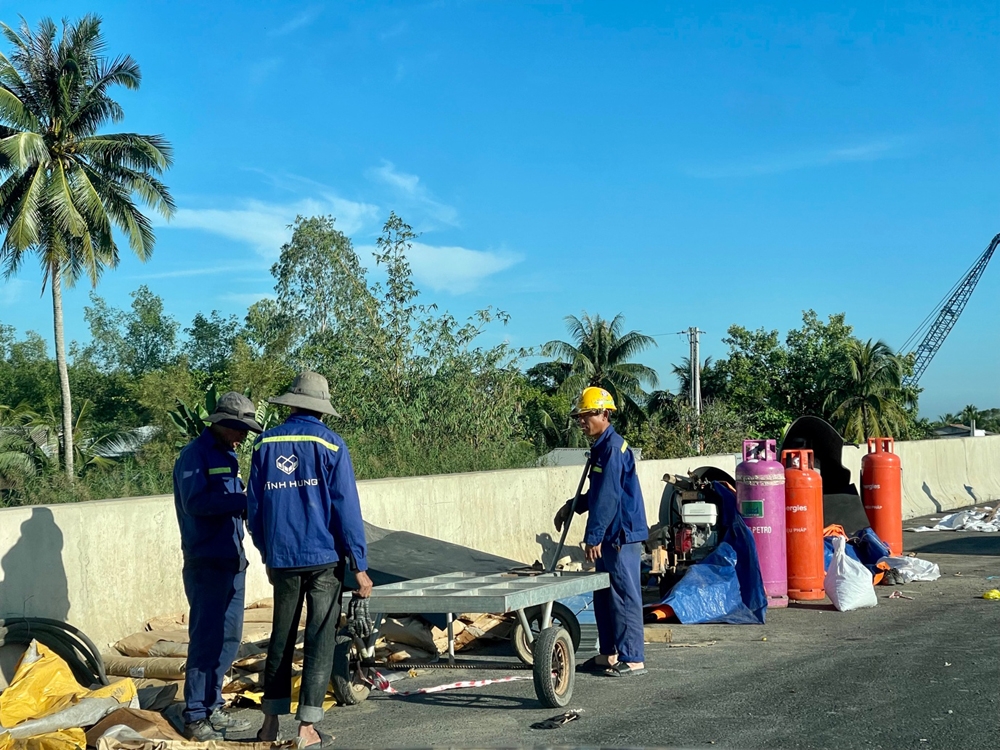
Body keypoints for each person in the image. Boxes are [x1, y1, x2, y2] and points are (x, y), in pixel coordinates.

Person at [248, 371, 372, 749]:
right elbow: (345, 509)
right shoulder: (332, 446)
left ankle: (269, 723)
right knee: (320, 637)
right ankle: (306, 727)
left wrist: (267, 548)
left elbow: (254, 507)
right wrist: (360, 565)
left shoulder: (264, 444)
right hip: (324, 558)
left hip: (282, 557)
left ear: (292, 403)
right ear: (320, 408)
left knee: (281, 637)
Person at [173, 392, 263, 740]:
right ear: (223, 423)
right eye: (240, 429)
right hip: (206, 561)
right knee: (206, 640)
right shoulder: (194, 456)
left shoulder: (227, 454)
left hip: (232, 560)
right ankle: (195, 715)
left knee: (230, 637)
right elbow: (196, 502)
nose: (243, 436)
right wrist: (243, 499)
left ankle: (213, 707)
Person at [553, 386, 648, 677]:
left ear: (604, 414)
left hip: (619, 535)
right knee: (605, 596)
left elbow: (608, 496)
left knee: (623, 595)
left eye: (587, 415)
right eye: (579, 417)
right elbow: (596, 493)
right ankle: (609, 653)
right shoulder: (601, 447)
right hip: (610, 532)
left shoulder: (612, 448)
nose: (582, 422)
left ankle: (632, 658)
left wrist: (593, 535)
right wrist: (573, 505)